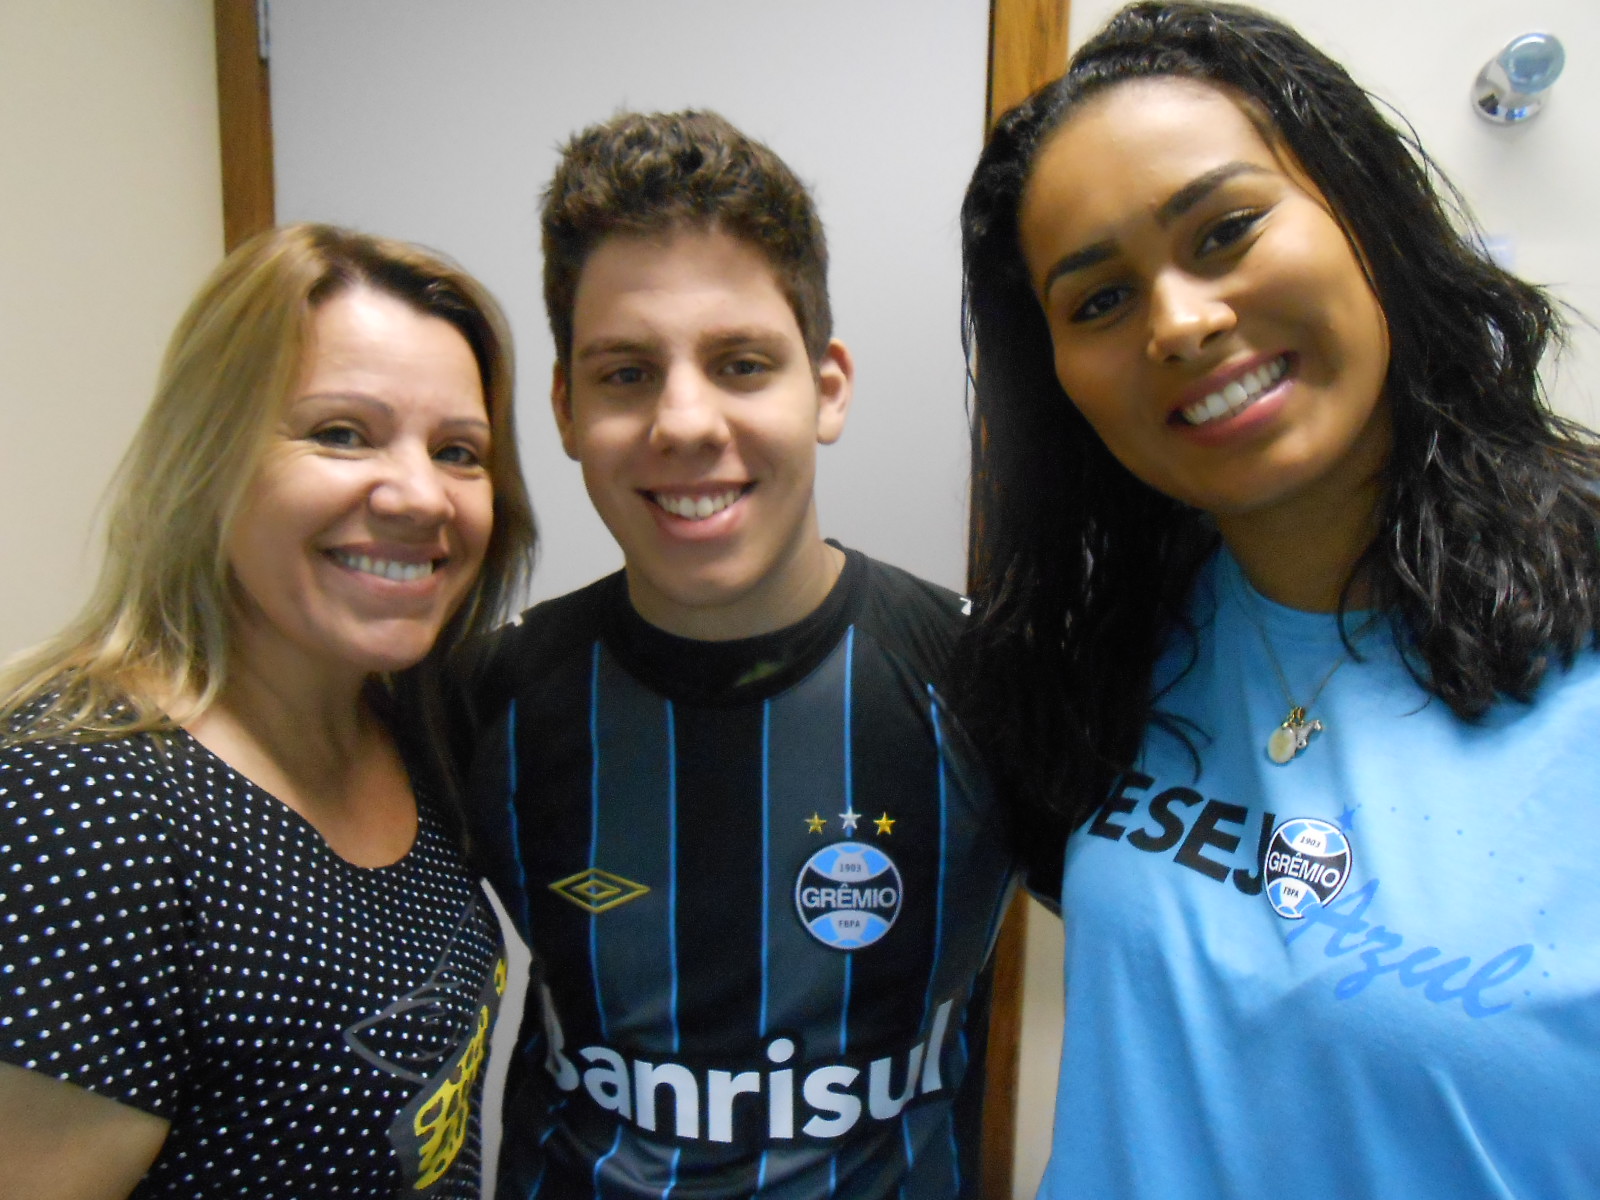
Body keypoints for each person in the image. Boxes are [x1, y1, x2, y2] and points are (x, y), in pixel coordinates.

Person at [960, 2, 1600, 1196]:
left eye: (1225, 230)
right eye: (1096, 301)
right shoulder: (1107, 645)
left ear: (1365, 213)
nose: (1182, 322)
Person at [458, 110, 1015, 1198]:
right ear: (565, 407)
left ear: (828, 386)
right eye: (625, 374)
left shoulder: (985, 678)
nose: (683, 421)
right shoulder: (481, 698)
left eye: (741, 363)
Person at [0, 223, 537, 1198]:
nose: (421, 494)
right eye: (340, 433)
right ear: (208, 457)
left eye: (459, 451)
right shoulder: (79, 803)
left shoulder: (420, 733)